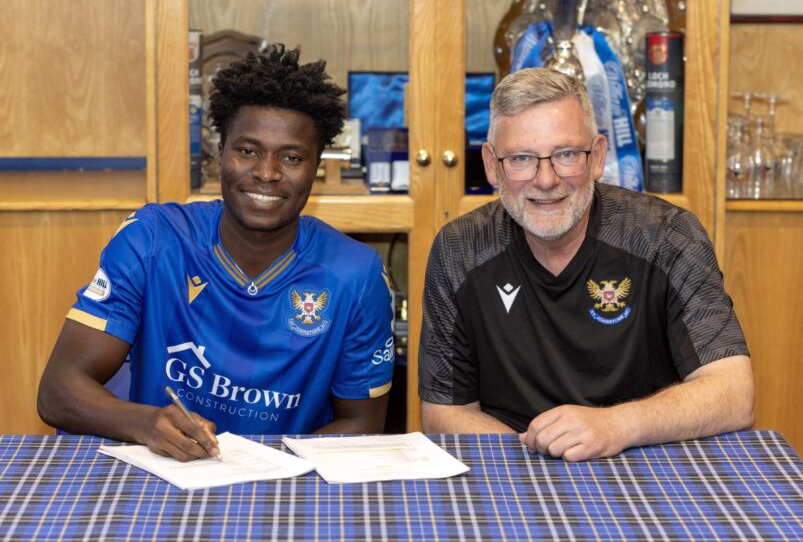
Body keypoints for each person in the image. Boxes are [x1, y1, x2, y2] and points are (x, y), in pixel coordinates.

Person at [38, 45, 394, 461]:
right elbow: (58, 390)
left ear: (316, 167)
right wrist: (145, 423)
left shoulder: (355, 274)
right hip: (162, 472)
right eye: (247, 150)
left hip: (284, 486)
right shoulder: (152, 239)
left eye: (292, 157)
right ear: (220, 153)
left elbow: (363, 424)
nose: (266, 172)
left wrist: (267, 467)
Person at [418, 67, 754, 462]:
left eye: (566, 155)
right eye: (522, 159)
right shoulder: (460, 248)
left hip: (644, 458)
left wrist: (616, 425)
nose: (545, 179)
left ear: (597, 157)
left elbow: (734, 392)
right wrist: (545, 454)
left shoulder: (667, 236)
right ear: (491, 164)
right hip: (510, 462)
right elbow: (444, 411)